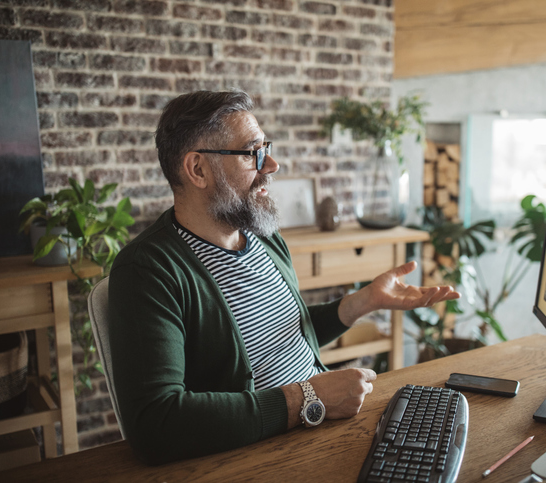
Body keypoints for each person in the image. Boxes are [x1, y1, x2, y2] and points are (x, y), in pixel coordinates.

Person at [106, 90, 460, 465]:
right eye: (251, 152)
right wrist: (308, 398)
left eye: (266, 147)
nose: (271, 164)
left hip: (322, 427)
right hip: (257, 456)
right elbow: (156, 423)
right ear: (197, 170)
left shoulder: (264, 238)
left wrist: (362, 302)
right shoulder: (148, 270)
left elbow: (281, 337)